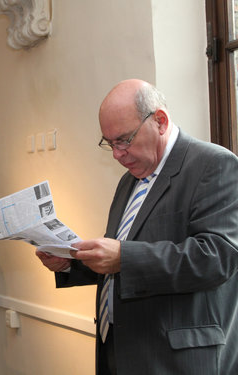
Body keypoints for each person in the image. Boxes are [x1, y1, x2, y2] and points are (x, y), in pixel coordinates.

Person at [36, 79, 238, 374]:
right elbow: (120, 258)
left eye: (124, 140)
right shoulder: (130, 180)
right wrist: (71, 264)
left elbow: (217, 257)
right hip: (120, 348)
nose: (117, 154)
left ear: (160, 121)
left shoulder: (214, 164)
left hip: (177, 360)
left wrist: (123, 257)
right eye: (110, 143)